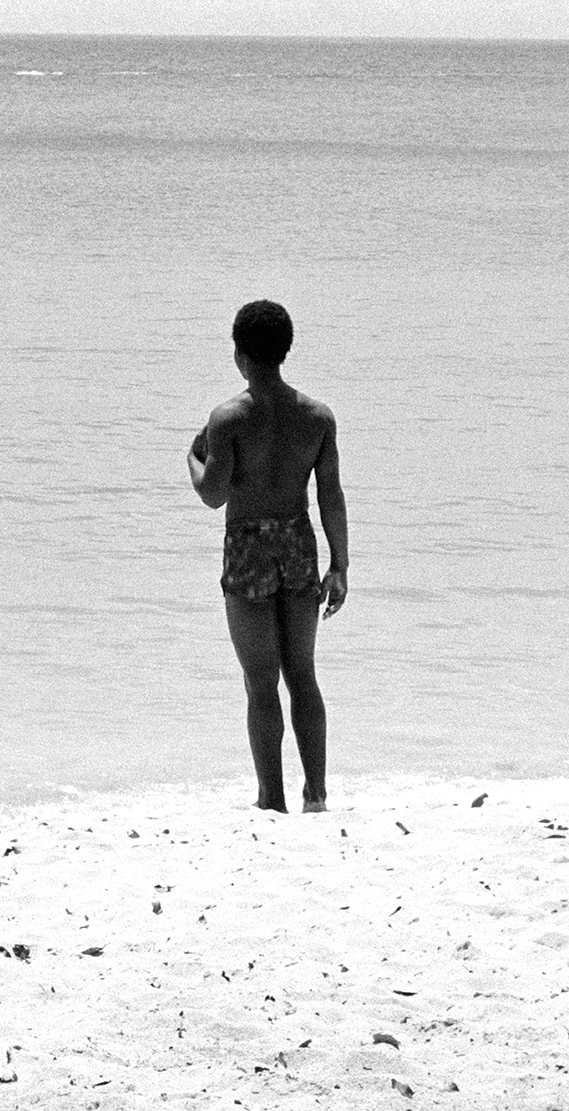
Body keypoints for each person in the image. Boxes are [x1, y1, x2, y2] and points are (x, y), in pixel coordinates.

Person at [188, 300, 348, 813]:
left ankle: (271, 797)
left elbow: (213, 495)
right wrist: (339, 564)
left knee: (261, 683)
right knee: (302, 673)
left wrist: (192, 457)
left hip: (249, 547)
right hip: (299, 544)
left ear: (238, 354)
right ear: (286, 351)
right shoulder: (317, 417)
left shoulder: (228, 418)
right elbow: (331, 495)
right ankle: (317, 794)